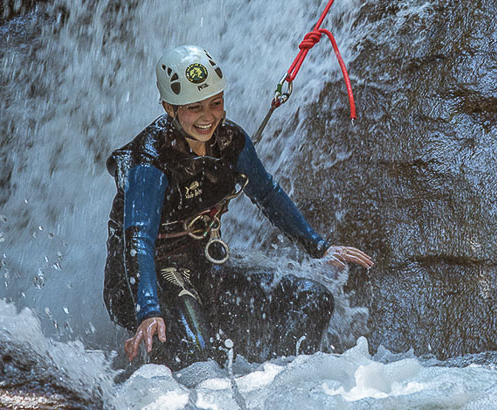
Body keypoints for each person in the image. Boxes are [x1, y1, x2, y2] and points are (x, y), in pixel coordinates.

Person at [104, 45, 373, 370]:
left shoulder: (231, 142)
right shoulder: (151, 160)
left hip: (200, 265)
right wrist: (148, 309)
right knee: (197, 355)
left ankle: (279, 386)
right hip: (141, 278)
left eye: (215, 103)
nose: (208, 116)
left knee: (312, 298)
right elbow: (139, 241)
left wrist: (319, 247)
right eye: (194, 108)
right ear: (169, 108)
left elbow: (268, 195)